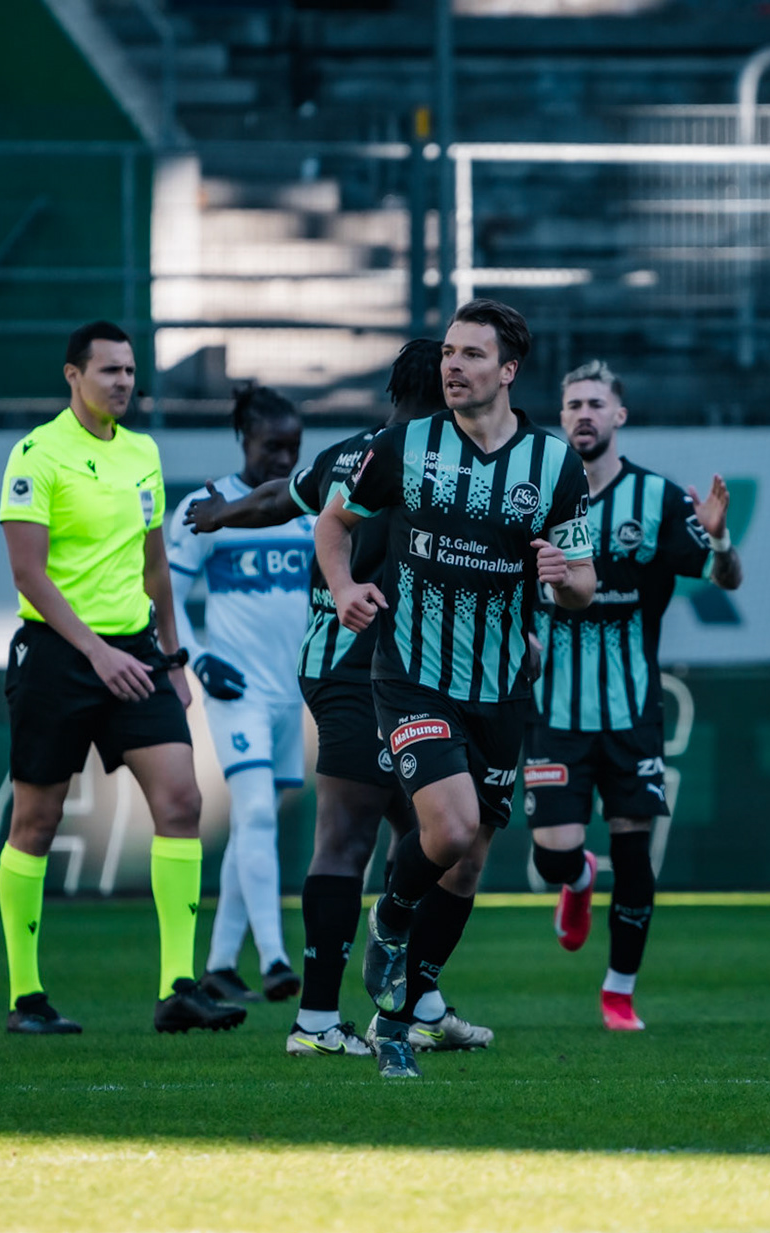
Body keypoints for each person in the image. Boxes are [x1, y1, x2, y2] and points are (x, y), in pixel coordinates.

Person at [185, 340, 494, 1057]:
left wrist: (225, 513)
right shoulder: (414, 460)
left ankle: (417, 1001)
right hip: (357, 671)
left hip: (403, 676)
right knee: (351, 837)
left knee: (448, 840)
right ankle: (316, 1020)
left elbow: (278, 497)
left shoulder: (360, 452)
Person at [320, 299, 597, 1079]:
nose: (453, 365)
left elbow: (582, 582)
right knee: (446, 831)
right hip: (412, 675)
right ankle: (392, 923)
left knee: (471, 862)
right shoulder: (404, 446)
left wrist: (564, 582)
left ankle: (398, 1018)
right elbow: (333, 525)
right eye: (449, 351)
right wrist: (343, 588)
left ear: (507, 372)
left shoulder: (553, 467)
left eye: (473, 355)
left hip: (502, 688)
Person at [0, 320, 243, 1037]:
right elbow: (28, 574)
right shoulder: (36, 455)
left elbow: (155, 562)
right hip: (57, 656)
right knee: (36, 822)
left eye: (131, 372)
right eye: (109, 371)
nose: (124, 383)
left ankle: (178, 988)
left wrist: (172, 654)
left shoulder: (143, 453)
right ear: (72, 375)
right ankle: (27, 997)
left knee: (182, 801)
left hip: (137, 654)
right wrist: (95, 654)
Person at [524, 361, 740, 1032]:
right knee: (552, 852)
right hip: (554, 712)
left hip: (631, 711)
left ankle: (619, 991)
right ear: (559, 419)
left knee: (635, 850)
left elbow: (727, 580)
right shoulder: (532, 496)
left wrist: (720, 539)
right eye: (571, 405)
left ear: (620, 416)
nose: (583, 413)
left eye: (595, 403)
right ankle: (577, 879)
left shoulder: (657, 499)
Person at [165, 386, 312, 1005]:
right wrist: (197, 661)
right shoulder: (207, 505)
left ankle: (221, 963)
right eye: (271, 446)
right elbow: (164, 594)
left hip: (292, 696)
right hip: (236, 688)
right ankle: (277, 959)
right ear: (244, 439)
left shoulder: (307, 506)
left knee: (258, 823)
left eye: (293, 447)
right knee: (252, 815)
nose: (283, 459)